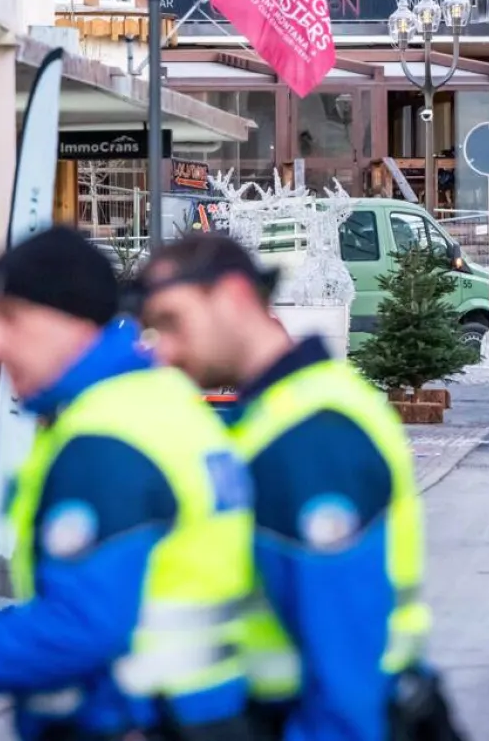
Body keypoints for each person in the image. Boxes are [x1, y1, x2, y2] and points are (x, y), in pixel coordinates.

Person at [0, 226, 255, 741]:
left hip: (131, 720)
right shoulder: (159, 403)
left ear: (74, 320)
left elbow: (82, 627)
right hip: (198, 715)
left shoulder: (104, 441)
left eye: (10, 319)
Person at [136, 233, 466, 741]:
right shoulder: (283, 414)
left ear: (234, 297)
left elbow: (345, 670)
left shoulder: (310, 434)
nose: (165, 351)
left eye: (172, 323)